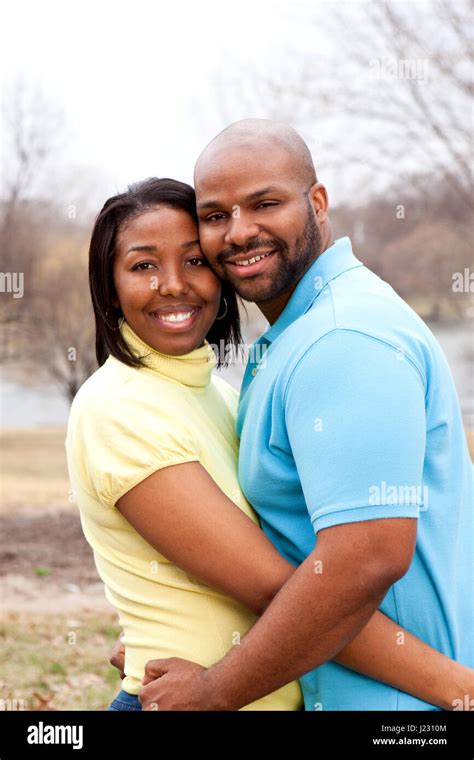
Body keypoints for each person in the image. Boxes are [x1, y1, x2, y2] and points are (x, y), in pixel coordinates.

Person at [138, 121, 474, 712]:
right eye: (216, 216)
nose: (240, 232)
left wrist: (217, 691)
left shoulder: (341, 337)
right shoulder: (303, 330)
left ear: (317, 202)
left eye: (265, 203)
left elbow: (364, 558)